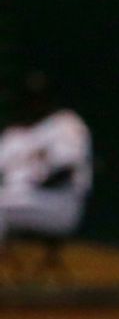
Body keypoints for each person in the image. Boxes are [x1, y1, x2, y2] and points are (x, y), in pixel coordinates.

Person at [0, 72, 92, 254]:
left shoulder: (66, 125)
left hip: (58, 204)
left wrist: (32, 187)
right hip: (19, 201)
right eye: (29, 98)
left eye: (38, 97)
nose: (33, 102)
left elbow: (65, 171)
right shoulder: (14, 134)